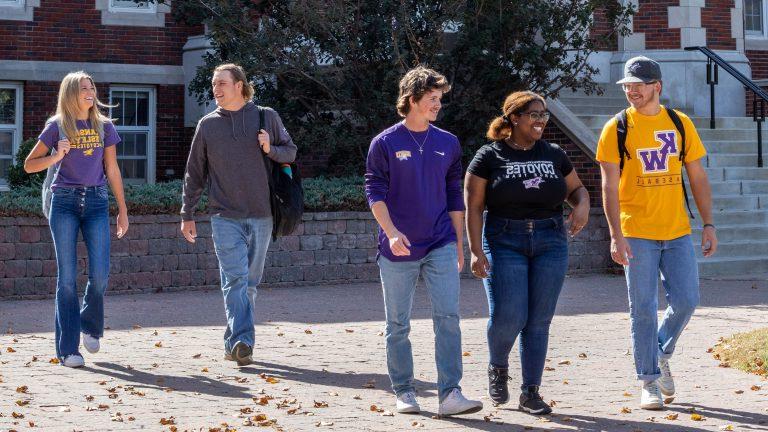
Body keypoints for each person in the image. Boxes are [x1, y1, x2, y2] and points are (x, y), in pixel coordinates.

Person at [596, 56, 717, 410]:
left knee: (687, 301)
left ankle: (661, 351)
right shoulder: (616, 128)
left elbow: (697, 177)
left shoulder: (680, 124)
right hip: (636, 231)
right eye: (627, 86)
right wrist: (616, 235)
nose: (631, 91)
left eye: (638, 85)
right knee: (643, 309)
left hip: (677, 230)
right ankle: (648, 380)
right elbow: (609, 188)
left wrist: (708, 224)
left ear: (656, 87)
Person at [365, 66, 483, 417]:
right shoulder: (384, 143)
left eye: (439, 100)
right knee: (397, 323)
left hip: (441, 242)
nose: (437, 105)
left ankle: (450, 394)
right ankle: (404, 390)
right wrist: (390, 232)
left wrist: (459, 244)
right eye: (432, 99)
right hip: (398, 247)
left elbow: (453, 194)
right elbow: (374, 191)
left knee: (448, 317)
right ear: (412, 99)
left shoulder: (448, 142)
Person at [464, 91, 590, 415]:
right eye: (534, 114)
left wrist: (583, 206)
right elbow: (474, 207)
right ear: (514, 118)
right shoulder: (489, 156)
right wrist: (477, 251)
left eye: (544, 115)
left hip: (551, 240)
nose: (540, 121)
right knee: (510, 315)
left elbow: (577, 189)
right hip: (504, 240)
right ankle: (498, 366)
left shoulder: (554, 153)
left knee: (539, 320)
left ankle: (530, 392)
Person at [180, 63, 297, 367]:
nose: (215, 89)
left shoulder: (265, 117)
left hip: (262, 214)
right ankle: (244, 341)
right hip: (224, 215)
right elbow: (194, 173)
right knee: (235, 279)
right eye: (213, 84)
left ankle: (233, 341)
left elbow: (291, 152)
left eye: (221, 83)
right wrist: (187, 212)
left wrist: (270, 148)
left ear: (240, 86)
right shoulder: (207, 125)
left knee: (250, 283)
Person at [24, 71, 129, 368]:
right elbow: (29, 165)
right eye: (83, 88)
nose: (89, 91)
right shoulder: (56, 126)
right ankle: (68, 349)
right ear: (70, 93)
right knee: (67, 279)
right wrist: (56, 157)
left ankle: (90, 325)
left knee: (100, 274)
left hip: (96, 201)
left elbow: (112, 169)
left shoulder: (104, 126)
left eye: (91, 87)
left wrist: (122, 209)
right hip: (64, 202)